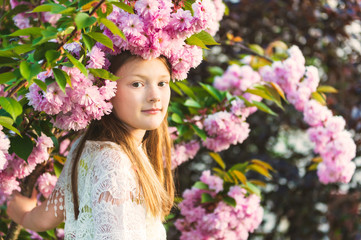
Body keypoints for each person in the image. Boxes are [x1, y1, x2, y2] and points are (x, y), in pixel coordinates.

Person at [6, 51, 175, 239]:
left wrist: (23, 214)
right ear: (106, 91)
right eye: (137, 84)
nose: (155, 96)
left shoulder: (88, 148)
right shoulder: (113, 162)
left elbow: (45, 219)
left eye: (162, 83)